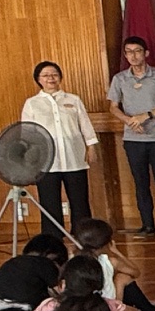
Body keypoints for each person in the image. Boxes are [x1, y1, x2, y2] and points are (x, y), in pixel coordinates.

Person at [105, 36, 155, 238]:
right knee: (140, 182)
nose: (133, 56)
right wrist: (129, 121)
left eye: (137, 51)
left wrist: (146, 115)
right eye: (129, 52)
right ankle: (147, 224)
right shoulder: (120, 79)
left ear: (145, 53)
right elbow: (113, 107)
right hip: (133, 139)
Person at [21, 60, 99, 235]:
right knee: (49, 202)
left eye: (54, 74)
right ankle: (53, 236)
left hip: (74, 158)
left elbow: (85, 124)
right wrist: (32, 159)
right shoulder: (32, 103)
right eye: (46, 75)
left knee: (80, 200)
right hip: (46, 161)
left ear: (60, 77)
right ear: (38, 79)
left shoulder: (73, 99)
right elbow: (27, 133)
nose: (51, 78)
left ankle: (83, 235)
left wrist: (91, 146)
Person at [71, 217, 155, 311]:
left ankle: (146, 308)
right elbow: (136, 272)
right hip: (105, 307)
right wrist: (116, 252)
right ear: (107, 242)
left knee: (116, 278)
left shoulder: (74, 261)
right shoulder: (110, 261)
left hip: (84, 306)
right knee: (123, 278)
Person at [0, 233, 67, 311]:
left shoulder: (11, 264)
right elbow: (62, 294)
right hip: (31, 309)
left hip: (2, 307)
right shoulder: (46, 264)